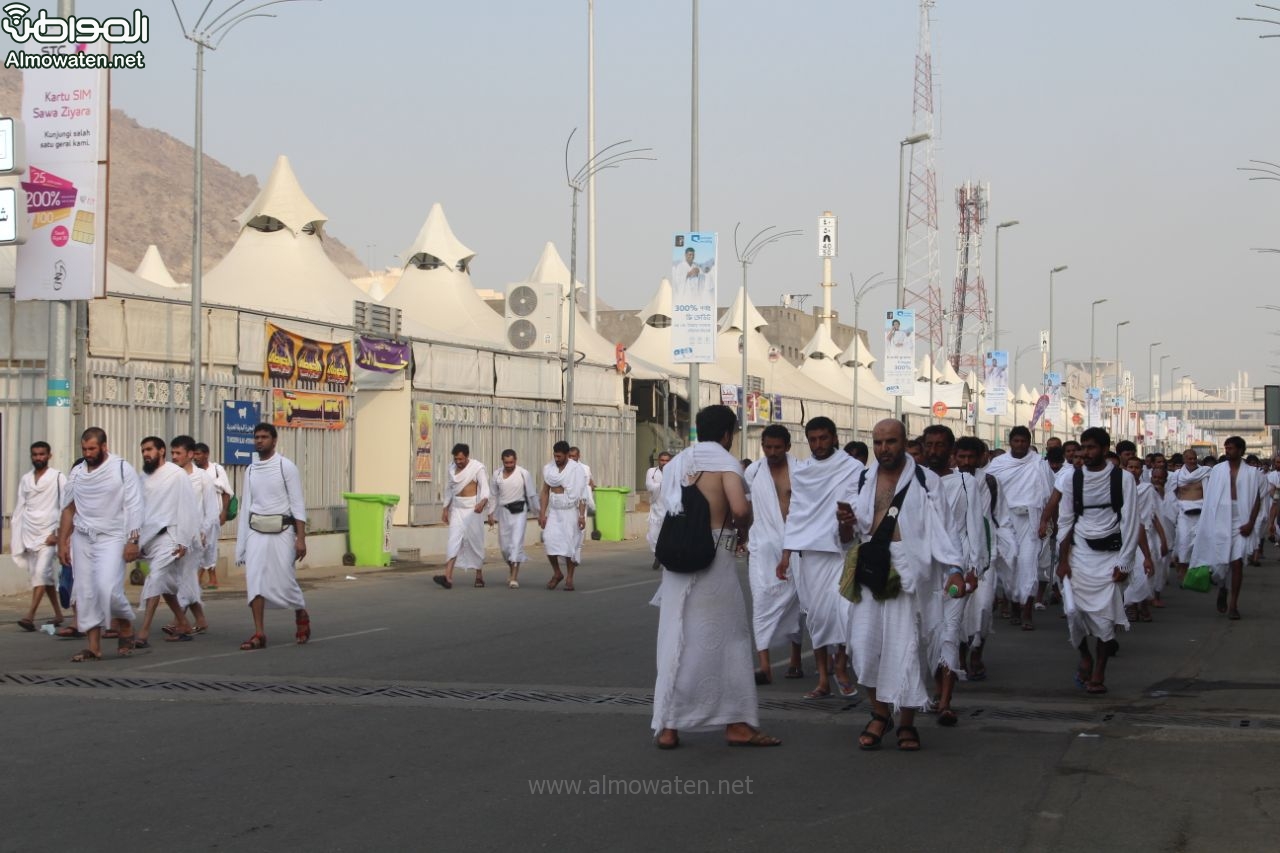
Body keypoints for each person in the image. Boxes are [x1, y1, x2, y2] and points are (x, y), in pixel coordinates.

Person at [651, 404, 780, 750]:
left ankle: (669, 726)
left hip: (678, 561)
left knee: (678, 638)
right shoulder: (725, 463)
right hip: (713, 559)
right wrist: (744, 527)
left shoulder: (678, 462)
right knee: (729, 639)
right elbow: (738, 509)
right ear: (727, 434)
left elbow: (662, 510)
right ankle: (737, 724)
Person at [846, 419, 966, 752]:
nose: (884, 448)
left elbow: (945, 528)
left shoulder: (926, 481)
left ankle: (906, 723)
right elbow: (851, 531)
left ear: (904, 442)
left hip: (910, 571)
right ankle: (880, 713)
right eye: (878, 442)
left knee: (907, 647)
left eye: (891, 442)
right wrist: (844, 524)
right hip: (871, 569)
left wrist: (955, 568)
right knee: (863, 647)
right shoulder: (863, 478)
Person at [777, 417, 862, 701]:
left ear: (835, 437)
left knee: (845, 614)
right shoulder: (802, 472)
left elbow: (858, 507)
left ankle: (841, 668)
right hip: (810, 555)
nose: (818, 445)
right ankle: (823, 679)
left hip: (843, 552)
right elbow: (797, 513)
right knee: (817, 616)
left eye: (823, 438)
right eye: (813, 440)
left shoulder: (852, 468)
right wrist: (786, 554)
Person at [1056, 428, 1140, 695]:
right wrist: (1062, 559)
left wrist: (1125, 563)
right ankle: (1084, 656)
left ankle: (1099, 671)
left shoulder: (1123, 478)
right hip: (1079, 553)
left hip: (1110, 555)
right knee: (1073, 612)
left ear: (1105, 450)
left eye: (1092, 448)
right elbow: (1065, 520)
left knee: (1105, 618)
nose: (1086, 453)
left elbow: (1130, 522)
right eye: (1084, 447)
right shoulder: (1072, 479)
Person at [56, 427, 142, 662]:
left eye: (92, 448)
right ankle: (93, 647)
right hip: (82, 537)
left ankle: (124, 622)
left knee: (108, 588)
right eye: (84, 449)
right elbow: (68, 508)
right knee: (86, 592)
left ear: (104, 446)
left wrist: (132, 541)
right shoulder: (77, 473)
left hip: (113, 537)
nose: (88, 453)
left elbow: (134, 506)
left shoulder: (122, 469)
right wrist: (62, 542)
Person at [921, 425, 984, 727]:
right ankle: (936, 690)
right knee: (930, 635)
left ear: (950, 449)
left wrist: (975, 569)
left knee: (950, 632)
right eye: (928, 445)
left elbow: (975, 526)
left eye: (939, 445)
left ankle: (946, 701)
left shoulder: (965, 482)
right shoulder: (915, 480)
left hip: (955, 568)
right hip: (923, 569)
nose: (933, 451)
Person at [234, 423, 309, 650]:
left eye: (264, 437)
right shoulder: (251, 470)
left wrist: (301, 538)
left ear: (274, 440)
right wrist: (243, 541)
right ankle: (259, 633)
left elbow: (297, 502)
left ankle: (300, 611)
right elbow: (247, 505)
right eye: (256, 437)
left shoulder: (286, 467)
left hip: (283, 531)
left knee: (284, 579)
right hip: (257, 531)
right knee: (255, 580)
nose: (259, 441)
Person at [741, 425, 804, 685]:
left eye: (778, 447)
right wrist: (744, 538)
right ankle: (764, 666)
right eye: (768, 447)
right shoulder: (753, 472)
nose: (773, 452)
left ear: (788, 446)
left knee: (797, 604)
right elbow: (747, 507)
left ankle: (796, 659)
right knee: (761, 601)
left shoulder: (801, 472)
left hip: (795, 545)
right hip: (762, 546)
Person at [133, 437, 200, 648]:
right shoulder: (142, 477)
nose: (146, 454)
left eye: (150, 449)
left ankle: (143, 632)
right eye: (143, 450)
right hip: (149, 537)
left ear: (161, 451)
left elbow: (188, 508)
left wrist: (184, 539)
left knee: (155, 577)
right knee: (167, 586)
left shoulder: (176, 475)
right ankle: (183, 623)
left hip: (171, 536)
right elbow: (138, 507)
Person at [986, 425, 1053, 630]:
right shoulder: (998, 464)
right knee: (1010, 562)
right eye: (1016, 441)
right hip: (1005, 520)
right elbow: (987, 491)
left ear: (1029, 442)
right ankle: (1014, 603)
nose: (1020, 445)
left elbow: (1050, 493)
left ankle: (1027, 611)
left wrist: (1045, 522)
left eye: (1024, 441)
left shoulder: (1040, 463)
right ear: (1010, 442)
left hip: (1031, 519)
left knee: (1028, 564)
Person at [1190, 436, 1262, 620]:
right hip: (1220, 519)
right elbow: (1211, 500)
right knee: (1220, 562)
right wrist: (1209, 524)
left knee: (1237, 563)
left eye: (1230, 448)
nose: (1227, 451)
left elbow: (1256, 500)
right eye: (1226, 448)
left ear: (1240, 450)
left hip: (1242, 518)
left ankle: (1233, 605)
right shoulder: (1218, 470)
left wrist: (1251, 523)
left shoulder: (1252, 473)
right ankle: (1222, 587)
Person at [12, 441, 67, 631]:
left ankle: (29, 617)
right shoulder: (26, 479)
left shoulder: (58, 477)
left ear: (49, 456)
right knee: (45, 577)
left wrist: (59, 534)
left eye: (42, 454)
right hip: (30, 533)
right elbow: (20, 507)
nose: (38, 458)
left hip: (49, 534)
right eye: (35, 454)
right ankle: (59, 614)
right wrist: (18, 534)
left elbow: (66, 505)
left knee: (41, 573)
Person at [170, 435, 217, 634]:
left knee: (186, 576)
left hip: (195, 538)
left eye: (178, 453)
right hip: (173, 536)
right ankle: (199, 618)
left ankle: (179, 620)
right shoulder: (170, 476)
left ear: (190, 454)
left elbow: (212, 509)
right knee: (182, 578)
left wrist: (204, 531)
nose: (174, 457)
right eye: (172, 453)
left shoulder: (203, 478)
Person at [434, 444, 490, 589]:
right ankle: (448, 577)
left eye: (461, 459)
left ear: (467, 456)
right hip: (457, 509)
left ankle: (479, 575)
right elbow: (449, 489)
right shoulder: (451, 469)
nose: (458, 461)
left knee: (475, 541)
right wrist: (445, 508)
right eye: (456, 459)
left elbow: (484, 487)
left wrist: (483, 502)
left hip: (473, 509)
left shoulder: (477, 468)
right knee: (453, 540)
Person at [539, 441, 588, 591]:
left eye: (559, 456)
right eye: (555, 455)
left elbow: (582, 494)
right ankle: (557, 573)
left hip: (570, 512)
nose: (557, 458)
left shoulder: (576, 469)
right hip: (554, 511)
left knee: (569, 546)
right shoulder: (549, 469)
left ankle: (569, 578)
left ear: (567, 455)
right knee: (548, 541)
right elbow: (545, 492)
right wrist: (542, 513)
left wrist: (581, 515)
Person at [1121, 456, 1165, 624]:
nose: (1133, 470)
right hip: (1124, 534)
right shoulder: (1119, 488)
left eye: (1136, 467)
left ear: (1142, 470)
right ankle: (1131, 606)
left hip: (1145, 534)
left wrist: (1163, 539)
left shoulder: (1148, 489)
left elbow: (1155, 515)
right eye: (1130, 467)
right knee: (1128, 570)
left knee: (1144, 571)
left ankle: (1144, 604)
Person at [487, 449, 537, 589]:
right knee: (504, 548)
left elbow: (532, 494)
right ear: (502, 461)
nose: (509, 465)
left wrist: (538, 513)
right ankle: (511, 566)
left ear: (516, 460)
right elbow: (493, 495)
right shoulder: (497, 474)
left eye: (511, 462)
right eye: (506, 462)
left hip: (519, 512)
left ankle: (514, 577)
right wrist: (490, 513)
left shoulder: (523, 473)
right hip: (503, 513)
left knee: (516, 544)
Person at [192, 442, 233, 590]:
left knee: (210, 544)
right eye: (194, 454)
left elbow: (226, 492)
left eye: (198, 454)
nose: (195, 457)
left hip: (214, 514)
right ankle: (203, 578)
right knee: (201, 545)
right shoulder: (192, 472)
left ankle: (207, 578)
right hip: (197, 515)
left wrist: (223, 513)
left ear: (206, 455)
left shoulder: (216, 469)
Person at [1169, 448, 1209, 581]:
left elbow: (1209, 494)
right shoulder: (1177, 475)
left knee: (1199, 543)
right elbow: (1171, 494)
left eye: (1194, 458)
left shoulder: (1205, 472)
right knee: (1183, 542)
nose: (1192, 461)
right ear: (1184, 460)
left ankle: (1198, 573)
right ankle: (1182, 571)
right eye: (1189, 459)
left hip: (1201, 513)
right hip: (1183, 514)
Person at [645, 451, 672, 569]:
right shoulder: (651, 472)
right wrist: (662, 484)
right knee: (652, 536)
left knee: (669, 537)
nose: (664, 463)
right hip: (656, 508)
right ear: (658, 461)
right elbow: (649, 486)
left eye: (667, 461)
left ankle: (664, 557)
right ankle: (658, 554)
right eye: (662, 460)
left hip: (670, 510)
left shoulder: (675, 472)